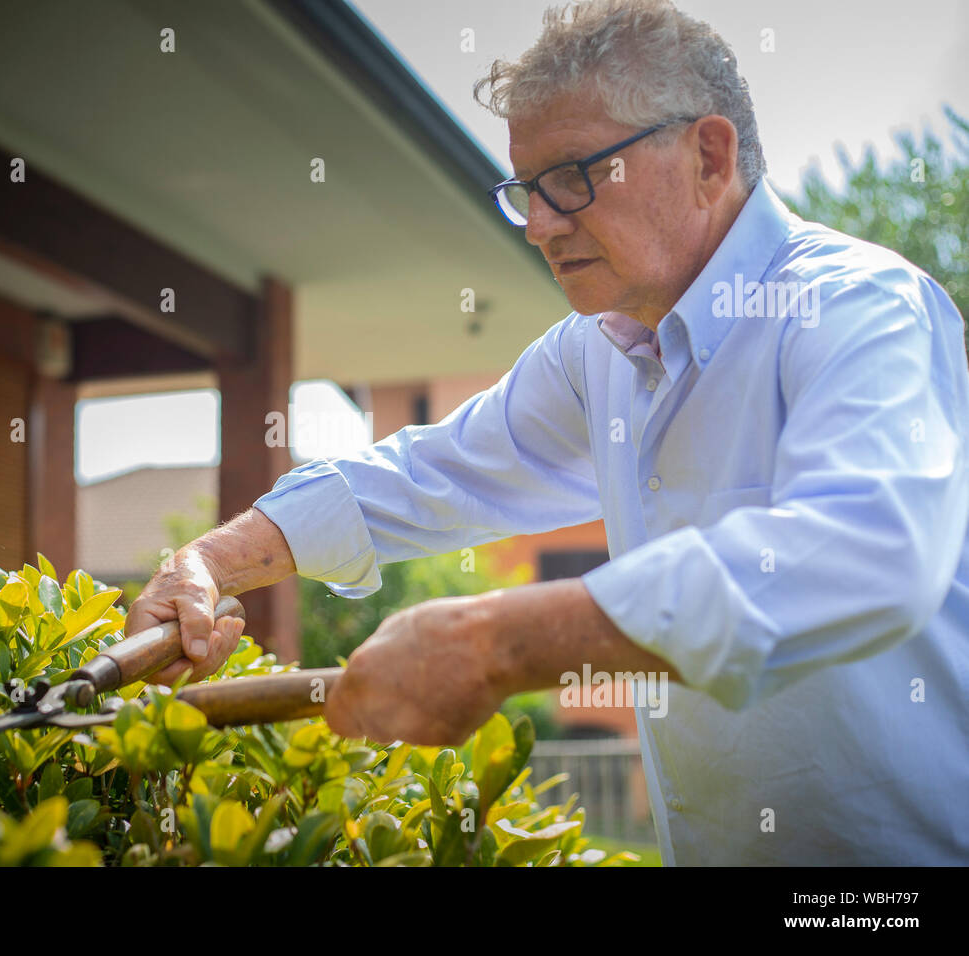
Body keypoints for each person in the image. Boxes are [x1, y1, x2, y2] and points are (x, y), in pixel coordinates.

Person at [125, 0, 969, 865]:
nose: (538, 224)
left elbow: (872, 550)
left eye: (574, 175)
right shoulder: (594, 354)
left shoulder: (859, 307)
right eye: (527, 189)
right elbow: (428, 474)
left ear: (709, 156)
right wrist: (209, 564)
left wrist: (495, 643)